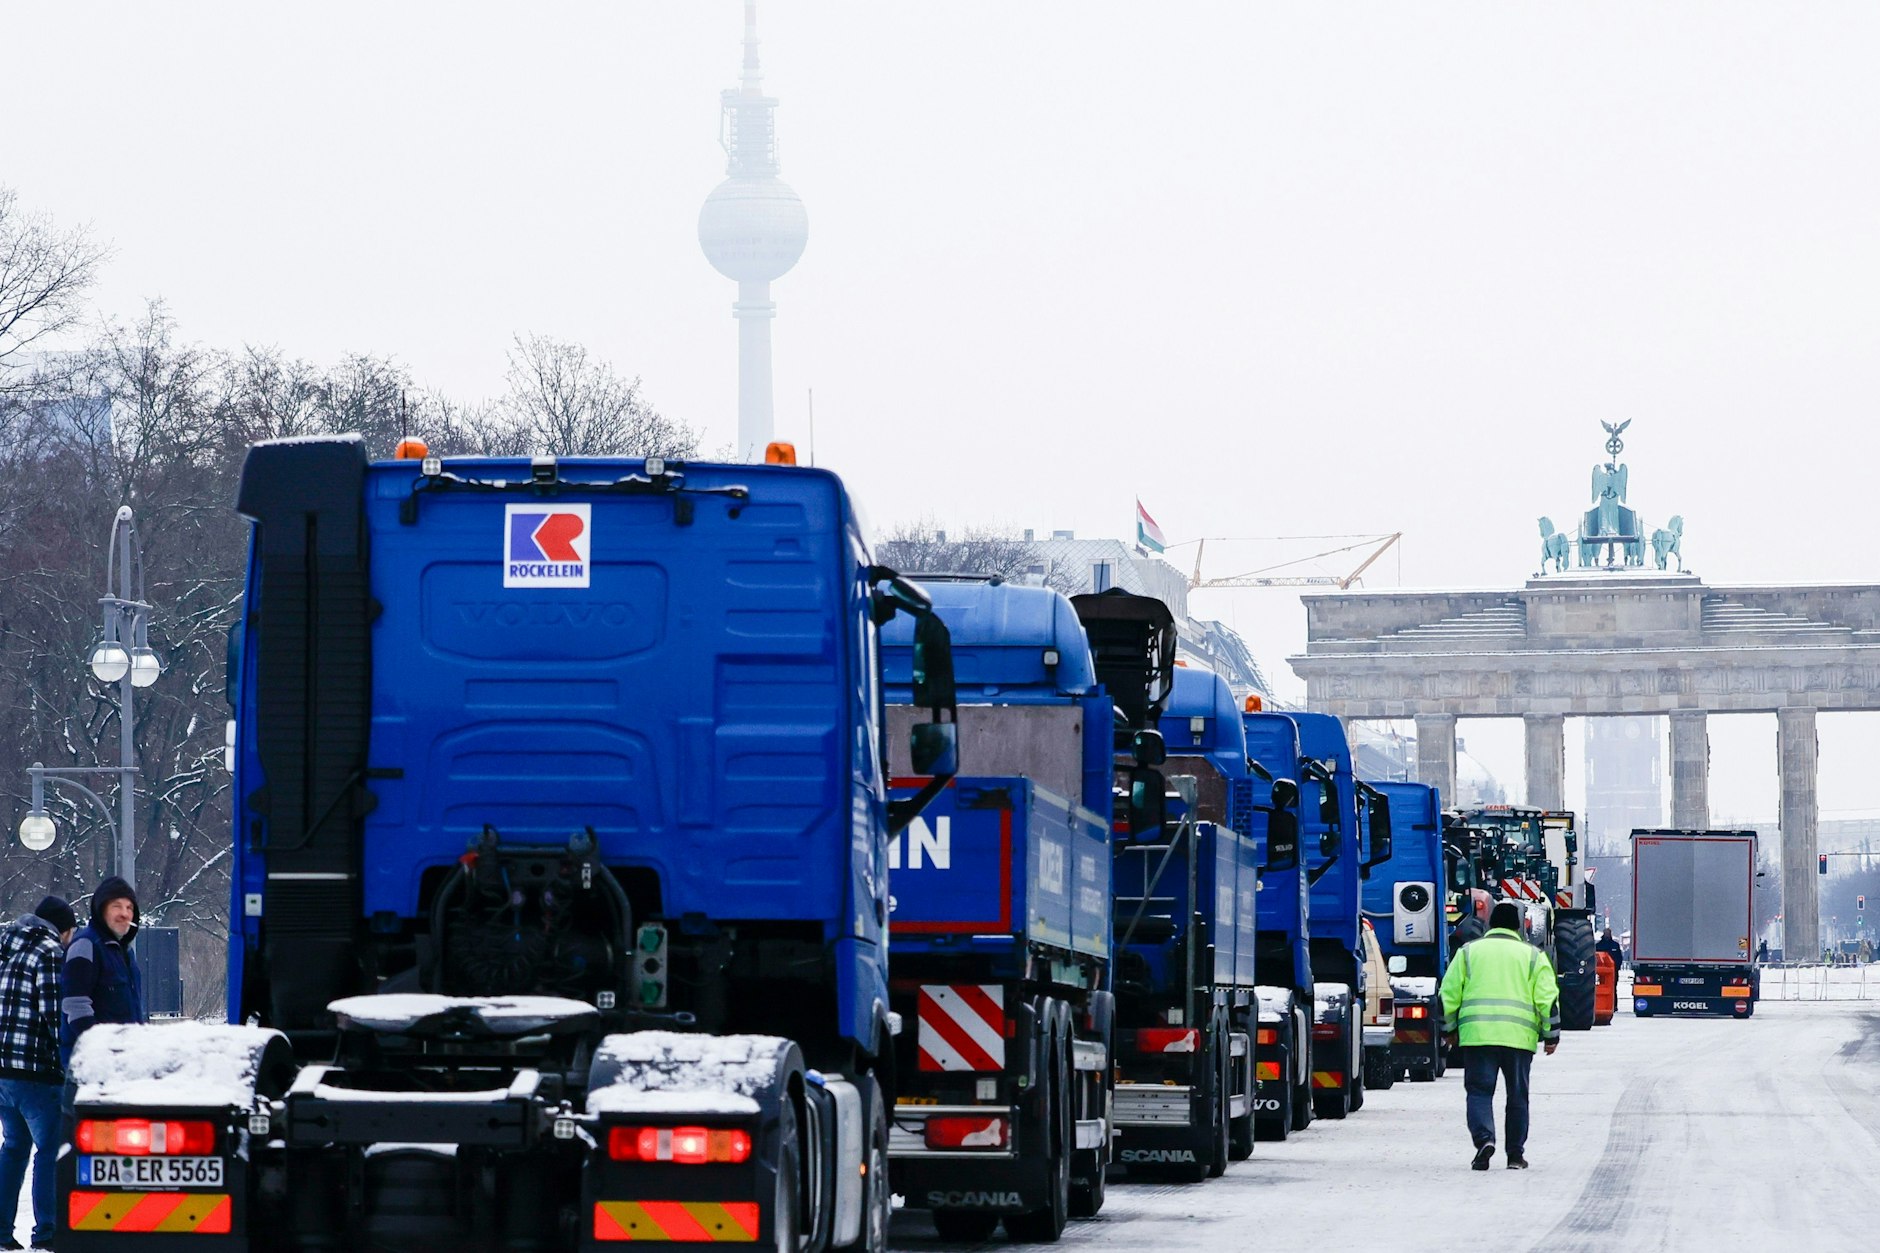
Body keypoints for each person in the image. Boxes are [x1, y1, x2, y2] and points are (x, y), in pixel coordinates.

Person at [1440, 900, 1560, 1171]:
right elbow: (1547, 999)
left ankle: (1484, 1139)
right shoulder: (1533, 956)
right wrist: (1551, 1035)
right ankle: (1515, 1155)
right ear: (1518, 927)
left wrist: (1448, 1031)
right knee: (1517, 1096)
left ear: (1490, 924)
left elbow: (1447, 996)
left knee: (1479, 1092)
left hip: (1477, 1037)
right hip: (1519, 1039)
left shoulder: (1469, 953)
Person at [0, 896, 76, 1252]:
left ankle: (1, 1231)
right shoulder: (49, 952)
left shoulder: (7, 945)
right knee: (50, 1150)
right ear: (62, 929)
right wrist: (71, 1060)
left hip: (3, 1071)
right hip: (38, 1071)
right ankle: (47, 1231)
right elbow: (52, 1014)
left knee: (13, 1147)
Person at [62, 877, 145, 1061]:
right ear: (101, 910)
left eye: (129, 908)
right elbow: (75, 1005)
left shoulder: (124, 952)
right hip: (92, 1064)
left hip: (125, 1060)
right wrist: (100, 1049)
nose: (124, 913)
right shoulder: (86, 945)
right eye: (116, 906)